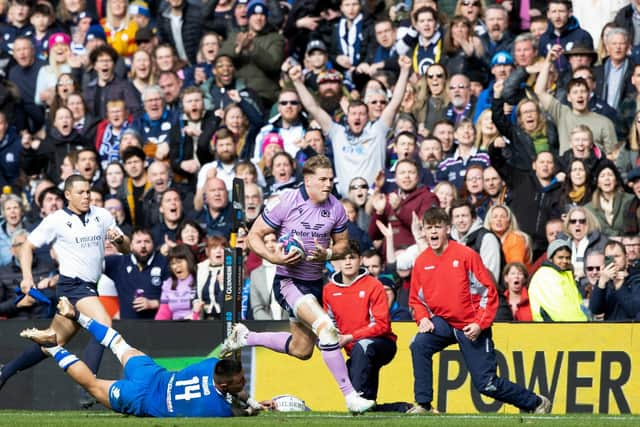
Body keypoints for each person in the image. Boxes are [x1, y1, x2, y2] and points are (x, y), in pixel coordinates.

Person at [221, 155, 375, 413]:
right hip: (288, 281)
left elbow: (343, 245)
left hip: (314, 282)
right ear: (308, 180)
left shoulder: (335, 207)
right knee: (326, 329)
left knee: (302, 350)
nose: (328, 184)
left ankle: (245, 336)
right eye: (323, 179)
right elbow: (255, 236)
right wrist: (273, 257)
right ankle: (350, 397)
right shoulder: (286, 201)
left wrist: (326, 254)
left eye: (331, 179)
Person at [407, 207, 550, 414]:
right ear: (424, 231)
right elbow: (415, 300)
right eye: (429, 228)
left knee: (487, 384)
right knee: (419, 344)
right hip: (444, 323)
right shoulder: (422, 261)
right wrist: (422, 318)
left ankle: (536, 402)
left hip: (471, 324)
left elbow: (489, 292)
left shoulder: (466, 255)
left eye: (438, 227)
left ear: (448, 229)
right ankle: (424, 405)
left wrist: (480, 324)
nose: (433, 232)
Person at [20, 297, 263, 417]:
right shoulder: (217, 409)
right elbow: (242, 413)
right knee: (92, 385)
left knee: (117, 342)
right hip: (142, 399)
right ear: (222, 384)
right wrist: (253, 408)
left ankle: (77, 315)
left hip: (153, 375)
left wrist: (250, 400)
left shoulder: (212, 365)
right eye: (241, 380)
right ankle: (53, 347)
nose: (244, 383)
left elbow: (233, 392)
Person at [0, 175, 130, 393]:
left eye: (88, 191)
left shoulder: (103, 215)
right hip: (73, 285)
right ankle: (89, 384)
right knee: (104, 323)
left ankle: (6, 371)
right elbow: (26, 247)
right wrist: (27, 277)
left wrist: (119, 240)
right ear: (68, 195)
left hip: (89, 286)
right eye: (81, 192)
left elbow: (126, 249)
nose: (87, 196)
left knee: (52, 341)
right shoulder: (56, 219)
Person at [323, 240, 397, 402]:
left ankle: (355, 402)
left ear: (360, 260)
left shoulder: (374, 285)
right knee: (368, 402)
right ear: (336, 262)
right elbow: (329, 324)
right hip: (354, 351)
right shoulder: (329, 290)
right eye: (343, 258)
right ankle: (401, 407)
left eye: (352, 257)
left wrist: (350, 337)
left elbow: (382, 325)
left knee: (362, 348)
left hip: (383, 344)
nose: (348, 262)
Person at [528, 239, 588, 322]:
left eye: (568, 258)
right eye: (560, 257)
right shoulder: (546, 275)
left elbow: (578, 304)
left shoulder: (565, 274)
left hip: (572, 328)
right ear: (551, 258)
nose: (564, 261)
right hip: (554, 329)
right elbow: (560, 310)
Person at [590, 240, 640, 321]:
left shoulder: (636, 278)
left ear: (626, 258)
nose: (613, 261)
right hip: (610, 331)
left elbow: (634, 311)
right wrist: (601, 283)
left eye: (617, 256)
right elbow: (595, 309)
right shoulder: (605, 280)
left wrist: (620, 287)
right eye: (608, 258)